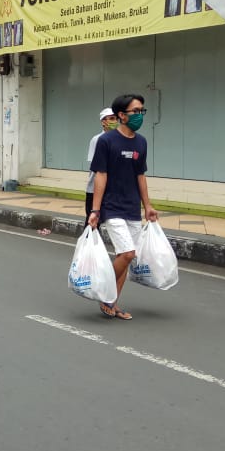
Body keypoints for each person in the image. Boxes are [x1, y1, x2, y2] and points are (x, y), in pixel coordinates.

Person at [87, 93, 159, 321]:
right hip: (111, 206)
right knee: (127, 253)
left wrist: (147, 206)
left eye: (142, 111)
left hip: (132, 207)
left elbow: (141, 175)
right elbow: (100, 175)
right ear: (121, 115)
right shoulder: (106, 141)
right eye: (135, 111)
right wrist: (95, 210)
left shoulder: (141, 142)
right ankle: (104, 292)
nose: (140, 115)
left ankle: (112, 302)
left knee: (125, 256)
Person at [85, 107, 118, 218]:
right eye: (111, 118)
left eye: (116, 118)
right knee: (92, 221)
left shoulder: (119, 139)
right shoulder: (97, 139)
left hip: (112, 190)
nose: (115, 121)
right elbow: (95, 167)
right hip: (95, 190)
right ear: (103, 122)